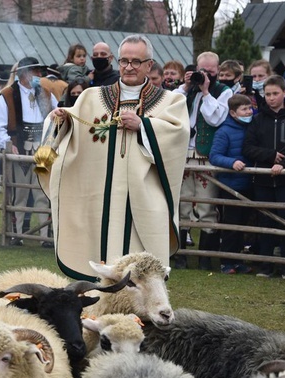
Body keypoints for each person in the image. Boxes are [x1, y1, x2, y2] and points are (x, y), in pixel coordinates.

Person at [46, 35, 189, 278]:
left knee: (140, 268)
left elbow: (178, 136)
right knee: (100, 257)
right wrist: (63, 119)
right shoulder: (91, 97)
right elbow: (75, 125)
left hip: (142, 199)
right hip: (102, 198)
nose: (129, 67)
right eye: (124, 60)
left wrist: (144, 126)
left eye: (136, 61)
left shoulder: (171, 101)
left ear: (149, 64)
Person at [243, 75, 285, 280]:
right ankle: (265, 265)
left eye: (275, 93)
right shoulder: (257, 118)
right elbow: (248, 147)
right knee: (265, 221)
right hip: (262, 179)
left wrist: (284, 164)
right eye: (267, 94)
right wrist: (270, 156)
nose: (271, 98)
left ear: (284, 93)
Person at [174, 51, 233, 270]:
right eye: (202, 71)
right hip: (184, 154)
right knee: (183, 203)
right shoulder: (187, 91)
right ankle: (179, 254)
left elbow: (215, 118)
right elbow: (171, 107)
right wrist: (186, 86)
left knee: (207, 206)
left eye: (210, 71)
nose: (206, 74)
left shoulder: (223, 91)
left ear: (217, 70)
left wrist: (206, 91)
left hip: (207, 156)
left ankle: (206, 257)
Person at [0, 56, 58, 248]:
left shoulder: (46, 94)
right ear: (23, 73)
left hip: (43, 149)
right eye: (35, 72)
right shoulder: (6, 95)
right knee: (19, 193)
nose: (39, 75)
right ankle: (17, 234)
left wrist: (51, 142)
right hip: (18, 147)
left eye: (39, 72)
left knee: (42, 193)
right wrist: (7, 144)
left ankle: (44, 236)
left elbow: (57, 118)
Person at [209, 94, 254, 274]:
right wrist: (231, 162)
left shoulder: (252, 127)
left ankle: (238, 260)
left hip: (248, 184)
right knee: (231, 225)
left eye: (250, 108)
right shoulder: (224, 131)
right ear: (234, 113)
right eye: (244, 109)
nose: (249, 112)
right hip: (231, 186)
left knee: (243, 225)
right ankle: (227, 261)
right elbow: (215, 155)